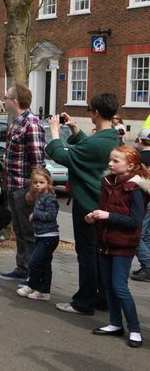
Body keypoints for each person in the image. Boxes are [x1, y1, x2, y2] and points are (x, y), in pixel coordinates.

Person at [46, 93, 119, 315]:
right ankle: (102, 298)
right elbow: (90, 146)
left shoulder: (98, 142)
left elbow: (61, 155)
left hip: (87, 202)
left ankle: (84, 302)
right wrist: (75, 129)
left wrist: (56, 132)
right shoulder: (112, 137)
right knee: (99, 254)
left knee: (87, 254)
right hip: (103, 204)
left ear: (95, 113)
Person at [86, 146, 150, 348]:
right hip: (105, 240)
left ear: (130, 165)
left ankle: (136, 329)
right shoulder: (108, 182)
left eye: (115, 161)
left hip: (123, 243)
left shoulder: (136, 188)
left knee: (119, 287)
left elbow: (134, 221)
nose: (110, 164)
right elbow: (104, 209)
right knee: (108, 285)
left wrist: (107, 216)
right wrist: (94, 217)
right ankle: (115, 323)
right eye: (110, 160)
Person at [0, 84, 45, 283]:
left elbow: (37, 162)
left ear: (15, 101)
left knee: (28, 231)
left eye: (7, 98)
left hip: (24, 187)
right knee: (19, 229)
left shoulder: (31, 124)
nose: (4, 101)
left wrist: (33, 191)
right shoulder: (17, 122)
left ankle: (33, 274)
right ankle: (22, 268)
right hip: (13, 184)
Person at [16, 168, 59, 301]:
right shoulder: (39, 196)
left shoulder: (50, 198)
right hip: (41, 235)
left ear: (48, 183)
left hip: (49, 236)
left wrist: (36, 215)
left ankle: (32, 284)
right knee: (45, 264)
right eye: (35, 182)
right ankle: (43, 291)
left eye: (41, 182)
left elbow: (52, 215)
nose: (38, 185)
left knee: (34, 262)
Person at [132, 128, 150, 282]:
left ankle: (148, 266)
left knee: (137, 235)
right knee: (147, 235)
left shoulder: (140, 160)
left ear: (140, 140)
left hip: (146, 200)